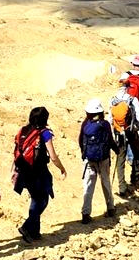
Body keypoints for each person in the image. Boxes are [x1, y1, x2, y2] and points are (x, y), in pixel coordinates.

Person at [13, 106, 65, 242]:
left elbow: (17, 151)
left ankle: (35, 232)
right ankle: (27, 226)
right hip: (38, 171)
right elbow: (53, 156)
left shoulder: (22, 130)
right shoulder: (45, 133)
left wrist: (14, 169)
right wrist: (62, 168)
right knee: (43, 200)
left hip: (24, 169)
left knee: (35, 199)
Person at [77, 99, 116, 222]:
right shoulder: (104, 124)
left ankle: (86, 213)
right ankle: (110, 208)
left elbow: (80, 140)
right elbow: (110, 140)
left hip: (89, 159)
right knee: (105, 183)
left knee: (88, 186)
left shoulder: (85, 124)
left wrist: (85, 153)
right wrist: (117, 150)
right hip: (103, 159)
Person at [109, 93, 139, 197]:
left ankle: (122, 187)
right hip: (131, 131)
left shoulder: (113, 100)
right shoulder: (132, 99)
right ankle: (135, 176)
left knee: (120, 159)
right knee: (137, 153)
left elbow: (110, 120)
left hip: (119, 133)